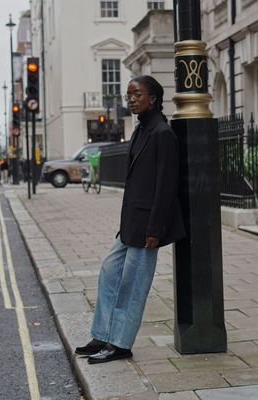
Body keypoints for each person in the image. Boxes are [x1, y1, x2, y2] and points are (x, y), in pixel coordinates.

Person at [75, 75, 185, 364]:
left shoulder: (163, 133)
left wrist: (155, 229)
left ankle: (120, 344)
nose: (132, 99)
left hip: (148, 226)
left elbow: (166, 186)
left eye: (137, 94)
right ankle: (102, 334)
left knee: (133, 286)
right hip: (130, 224)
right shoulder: (140, 131)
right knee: (109, 274)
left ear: (153, 98)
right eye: (129, 95)